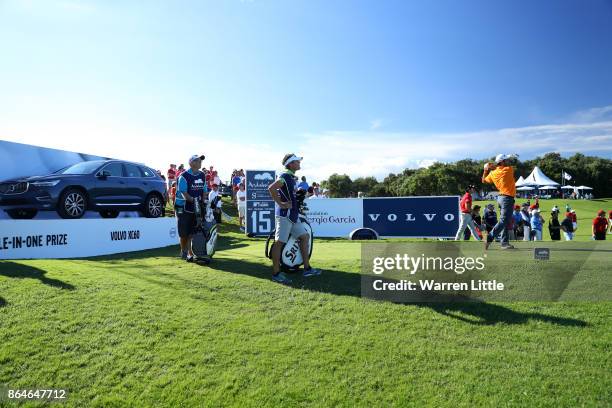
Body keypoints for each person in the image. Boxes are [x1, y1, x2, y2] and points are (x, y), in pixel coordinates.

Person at [267, 153, 322, 284]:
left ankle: (307, 268)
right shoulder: (285, 175)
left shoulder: (291, 177)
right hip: (285, 215)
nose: (299, 163)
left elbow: (288, 194)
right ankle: (276, 273)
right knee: (279, 243)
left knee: (304, 237)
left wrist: (297, 197)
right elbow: (271, 188)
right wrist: (281, 203)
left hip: (293, 215)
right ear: (290, 164)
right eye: (297, 161)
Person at [175, 155, 208, 262]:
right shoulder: (183, 176)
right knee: (183, 232)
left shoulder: (202, 175)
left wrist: (203, 201)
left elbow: (204, 190)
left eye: (200, 161)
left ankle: (190, 253)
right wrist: (196, 202)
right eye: (198, 161)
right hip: (182, 207)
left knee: (192, 231)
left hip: (196, 206)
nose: (200, 162)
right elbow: (184, 194)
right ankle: (183, 251)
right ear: (192, 163)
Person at [481, 154, 517, 249]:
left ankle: (504, 243)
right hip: (507, 198)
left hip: (501, 198)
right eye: (505, 160)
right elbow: (500, 166)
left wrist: (486, 170)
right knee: (503, 221)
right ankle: (488, 239)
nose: (507, 161)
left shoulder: (493, 173)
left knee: (505, 221)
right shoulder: (508, 169)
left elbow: (483, 180)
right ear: (502, 162)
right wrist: (493, 166)